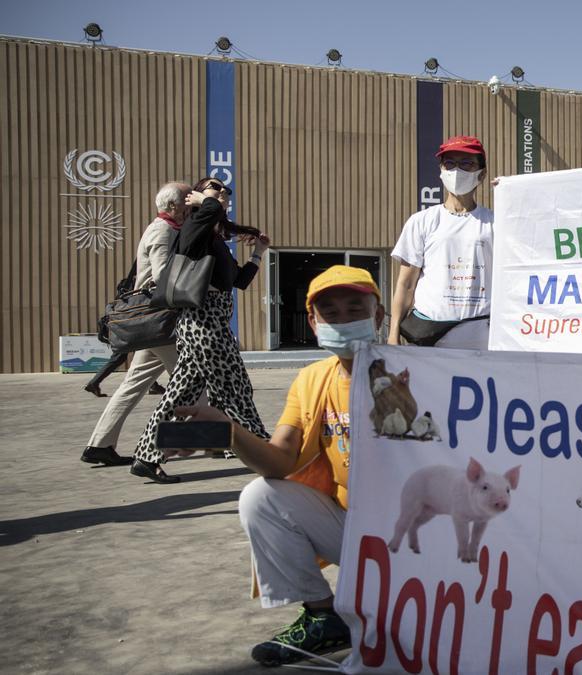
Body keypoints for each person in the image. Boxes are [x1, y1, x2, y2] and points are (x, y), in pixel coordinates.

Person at [174, 265, 382, 667]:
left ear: (378, 315)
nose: (343, 320)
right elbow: (279, 461)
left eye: (355, 309)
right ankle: (323, 616)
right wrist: (227, 429)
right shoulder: (311, 379)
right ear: (313, 322)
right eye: (330, 313)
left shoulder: (418, 374)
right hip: (353, 528)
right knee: (261, 498)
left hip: (419, 533)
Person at [129, 177, 272, 483]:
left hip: (209, 324)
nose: (222, 193)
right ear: (195, 198)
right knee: (235, 388)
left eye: (226, 191)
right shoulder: (194, 229)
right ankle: (264, 448)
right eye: (214, 188)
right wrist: (202, 202)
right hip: (204, 324)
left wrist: (258, 252)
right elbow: (208, 211)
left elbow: (239, 281)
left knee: (180, 395)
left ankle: (146, 454)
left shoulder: (214, 238)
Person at [80, 182, 193, 466]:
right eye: (186, 200)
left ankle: (99, 445)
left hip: (155, 325)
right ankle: (207, 441)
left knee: (132, 386)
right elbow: (162, 274)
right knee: (192, 383)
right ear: (172, 207)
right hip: (160, 320)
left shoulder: (169, 228)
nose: (190, 205)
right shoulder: (162, 229)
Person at [388, 135, 493, 350]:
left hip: (482, 338)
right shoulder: (422, 221)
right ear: (442, 171)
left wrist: (511, 195)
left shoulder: (496, 222)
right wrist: (393, 335)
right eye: (450, 163)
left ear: (481, 174)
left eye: (466, 164)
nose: (457, 170)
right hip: (429, 338)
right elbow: (406, 284)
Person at [83, 352, 165, 398]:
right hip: (129, 332)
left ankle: (153, 386)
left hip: (123, 332)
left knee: (117, 360)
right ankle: (93, 383)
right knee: (143, 357)